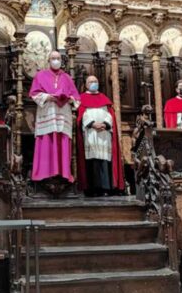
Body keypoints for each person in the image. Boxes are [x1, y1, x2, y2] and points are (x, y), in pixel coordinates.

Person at [29, 51, 80, 182]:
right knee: (47, 139)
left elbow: (76, 99)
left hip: (63, 114)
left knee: (61, 139)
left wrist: (67, 98)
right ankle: (44, 173)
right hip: (47, 111)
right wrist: (49, 96)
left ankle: (63, 173)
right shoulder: (40, 75)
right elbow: (34, 94)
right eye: (53, 58)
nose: (56, 60)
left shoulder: (67, 77)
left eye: (58, 58)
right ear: (48, 60)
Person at [77, 76, 125, 196]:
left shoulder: (104, 98)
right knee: (92, 160)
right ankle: (92, 189)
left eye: (96, 81)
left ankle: (106, 188)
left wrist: (105, 124)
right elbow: (82, 114)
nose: (94, 83)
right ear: (86, 85)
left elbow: (110, 114)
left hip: (104, 134)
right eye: (91, 82)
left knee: (104, 160)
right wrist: (93, 124)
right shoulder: (82, 98)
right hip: (91, 133)